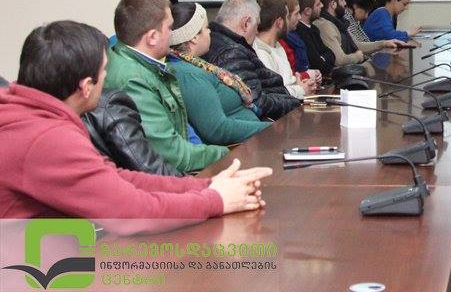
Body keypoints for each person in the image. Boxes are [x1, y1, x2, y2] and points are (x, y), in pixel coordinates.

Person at [0, 20, 272, 235]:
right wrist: (215, 200)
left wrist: (206, 186)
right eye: (104, 71)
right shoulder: (46, 138)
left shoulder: (30, 116)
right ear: (86, 87)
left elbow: (116, 178)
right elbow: (129, 212)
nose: (108, 78)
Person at [104, 0, 228, 173]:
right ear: (152, 37)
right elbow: (174, 155)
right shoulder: (133, 79)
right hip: (170, 178)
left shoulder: (137, 64)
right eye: (170, 28)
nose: (173, 34)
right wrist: (227, 154)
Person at [167, 2, 270, 145]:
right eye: (206, 28)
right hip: (240, 149)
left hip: (253, 140)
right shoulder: (188, 74)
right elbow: (217, 130)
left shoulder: (195, 64)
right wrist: (272, 129)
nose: (210, 32)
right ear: (193, 37)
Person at [203, 0, 301, 120]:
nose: (257, 32)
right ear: (246, 23)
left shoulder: (224, 43)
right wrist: (295, 102)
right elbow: (256, 102)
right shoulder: (231, 52)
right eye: (257, 26)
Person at [254, 0, 318, 100]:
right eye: (287, 17)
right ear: (279, 23)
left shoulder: (278, 46)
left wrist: (301, 84)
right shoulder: (260, 52)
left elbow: (287, 83)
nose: (299, 18)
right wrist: (301, 89)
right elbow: (274, 94)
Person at [312, 0, 365, 67]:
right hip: (340, 72)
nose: (345, 3)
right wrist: (357, 57)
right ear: (333, 4)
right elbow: (339, 60)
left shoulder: (339, 22)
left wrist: (382, 44)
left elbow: (356, 45)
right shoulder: (325, 25)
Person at [291, 0, 341, 73]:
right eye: (318, 4)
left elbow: (331, 54)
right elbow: (317, 64)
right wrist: (322, 58)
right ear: (307, 11)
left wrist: (322, 58)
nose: (322, 5)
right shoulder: (300, 32)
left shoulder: (314, 28)